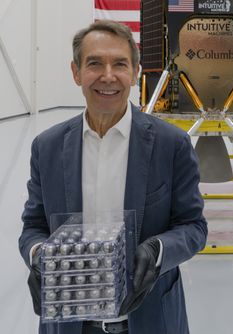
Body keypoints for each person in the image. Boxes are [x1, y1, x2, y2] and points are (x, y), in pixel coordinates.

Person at [18, 20, 208, 334]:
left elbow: (193, 227)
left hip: (149, 320)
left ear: (135, 73)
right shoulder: (47, 148)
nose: (108, 76)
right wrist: (39, 255)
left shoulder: (171, 144)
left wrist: (157, 250)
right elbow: (34, 226)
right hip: (70, 324)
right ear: (76, 72)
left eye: (119, 63)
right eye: (94, 63)